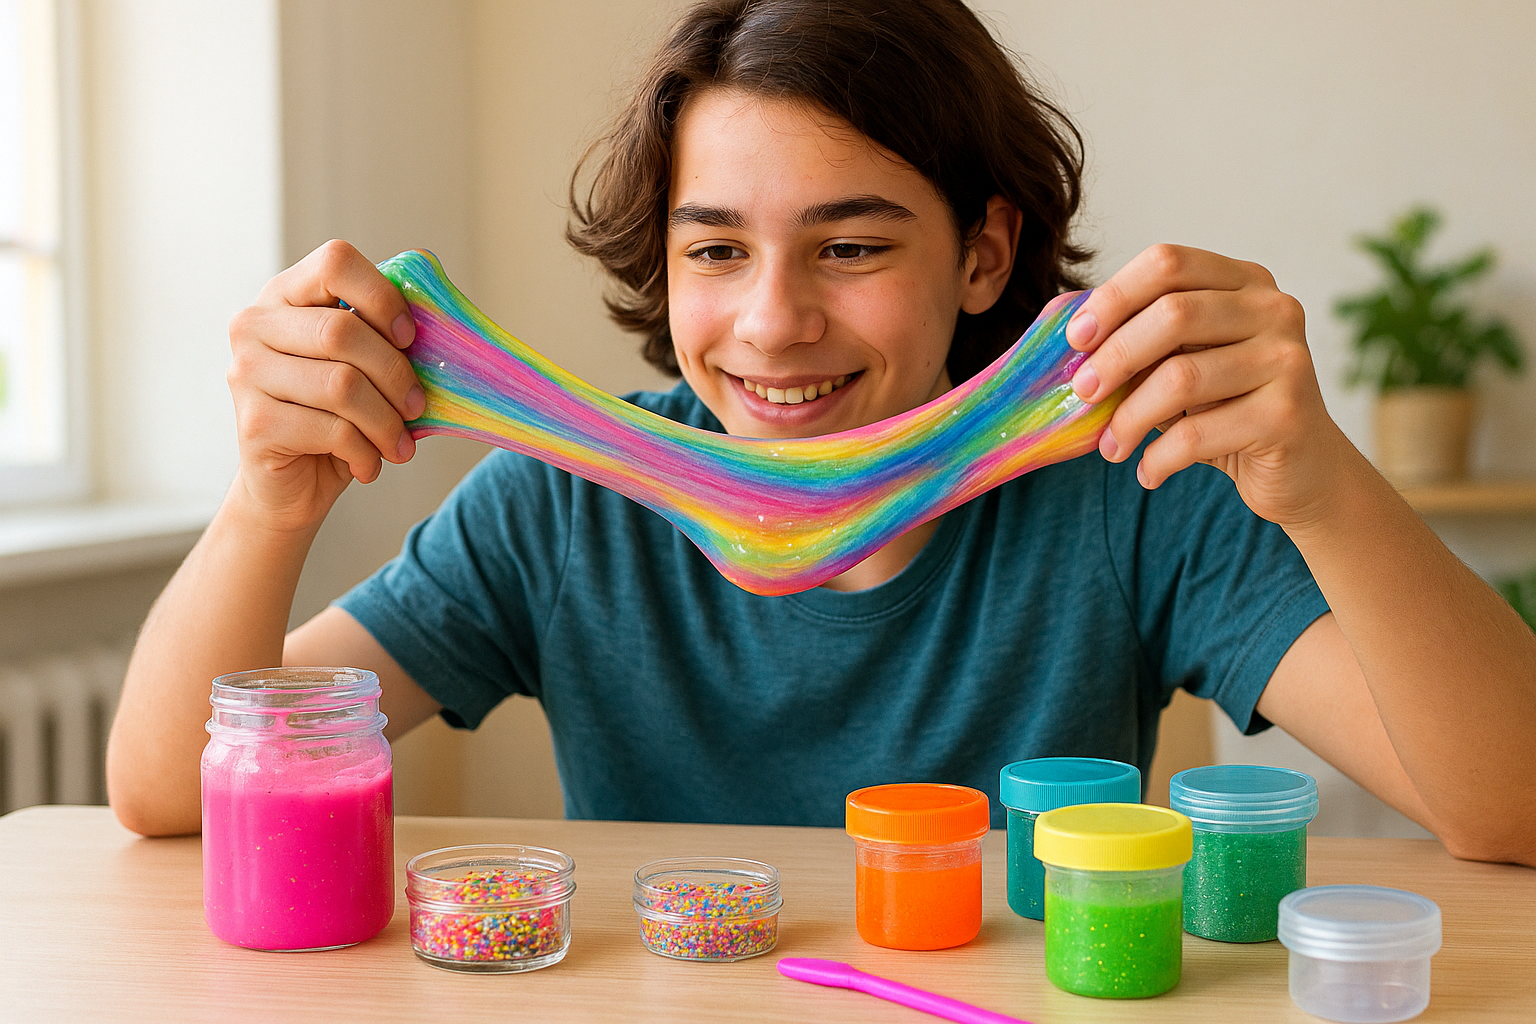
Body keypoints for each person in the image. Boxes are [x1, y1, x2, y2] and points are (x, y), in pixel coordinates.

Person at [106, 0, 1536, 864]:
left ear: (984, 258)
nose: (774, 324)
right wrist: (266, 507)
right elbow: (171, 798)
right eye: (717, 252)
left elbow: (1512, 812)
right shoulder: (564, 506)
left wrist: (1325, 486)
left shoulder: (1129, 493)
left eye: (850, 247)